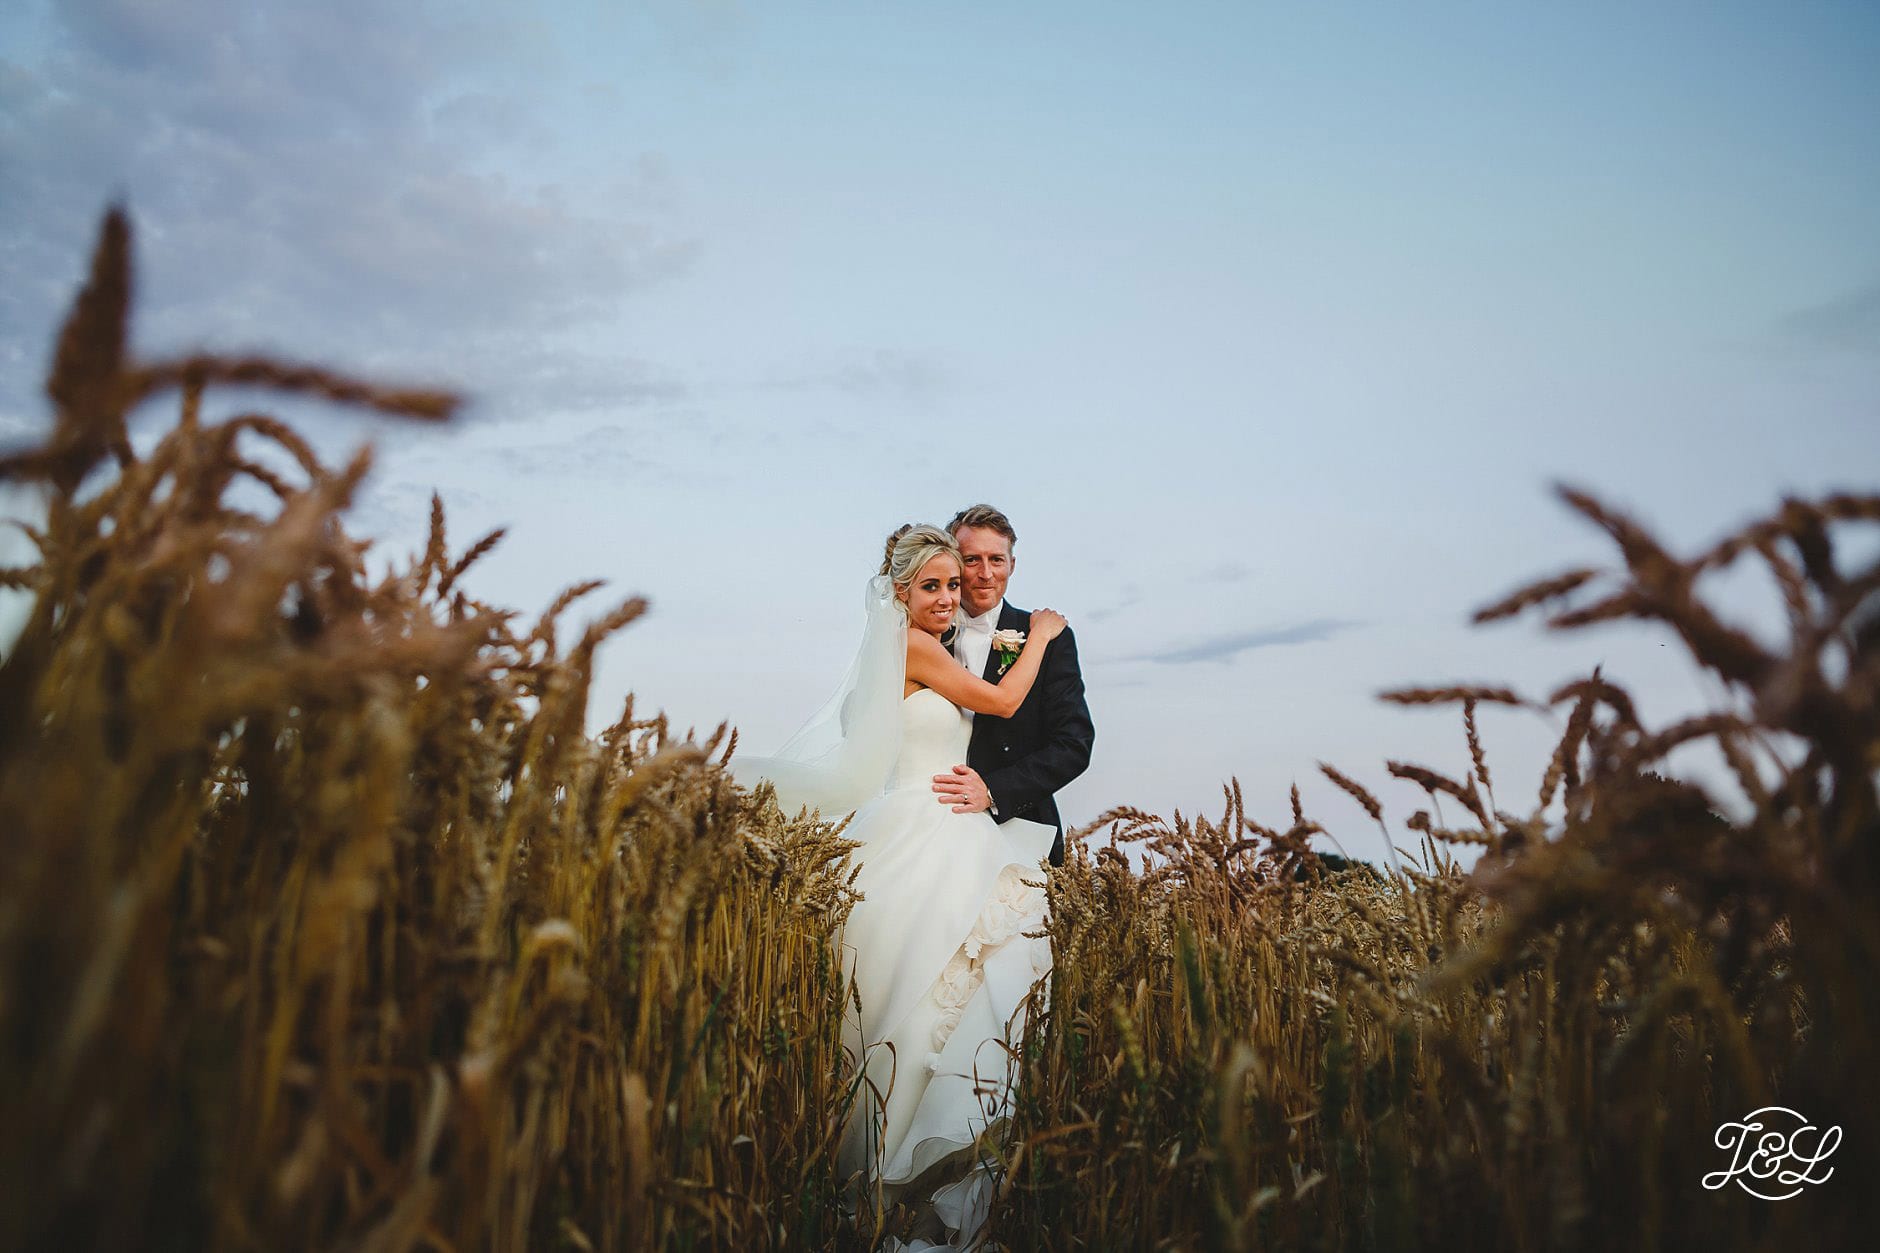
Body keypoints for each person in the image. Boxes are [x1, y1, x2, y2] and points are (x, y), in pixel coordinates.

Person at [731, 524, 1068, 1250]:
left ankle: (928, 1178)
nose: (949, 597)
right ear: (899, 593)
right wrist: (1039, 635)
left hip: (940, 824)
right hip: (929, 826)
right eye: (934, 586)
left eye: (955, 584)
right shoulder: (914, 648)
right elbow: (1004, 704)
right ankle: (904, 1168)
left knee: (952, 992)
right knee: (926, 995)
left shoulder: (911, 651)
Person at [932, 505, 1095, 866]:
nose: (986, 574)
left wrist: (993, 791)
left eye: (997, 560)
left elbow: (1074, 744)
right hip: (932, 826)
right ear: (952, 563)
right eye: (972, 560)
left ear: (1013, 565)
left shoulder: (1048, 638)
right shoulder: (924, 638)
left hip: (1019, 829)